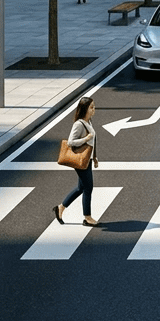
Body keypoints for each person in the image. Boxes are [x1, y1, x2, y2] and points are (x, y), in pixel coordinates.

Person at [53, 96, 100, 227]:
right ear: (84, 109)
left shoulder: (88, 122)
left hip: (87, 159)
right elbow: (70, 142)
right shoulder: (79, 124)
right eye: (91, 107)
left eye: (94, 106)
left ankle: (60, 208)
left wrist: (94, 158)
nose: (94, 109)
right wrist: (85, 139)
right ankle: (87, 217)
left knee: (81, 188)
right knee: (88, 187)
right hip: (80, 160)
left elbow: (93, 141)